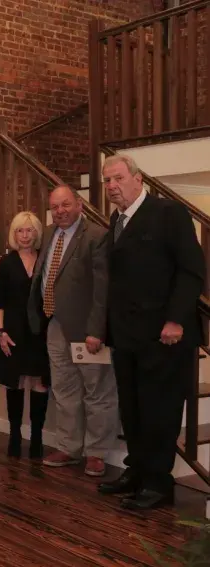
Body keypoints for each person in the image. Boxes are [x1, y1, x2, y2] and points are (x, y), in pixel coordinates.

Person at [98, 154, 205, 510]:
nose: (112, 186)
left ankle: (159, 483)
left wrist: (176, 320)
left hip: (163, 336)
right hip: (126, 336)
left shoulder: (169, 213)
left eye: (118, 178)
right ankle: (138, 471)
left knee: (160, 411)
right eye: (107, 180)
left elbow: (192, 271)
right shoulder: (116, 220)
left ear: (138, 179)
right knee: (132, 410)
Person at [28, 185, 116, 477]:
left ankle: (96, 453)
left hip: (86, 330)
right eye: (55, 207)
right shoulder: (49, 234)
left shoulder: (96, 236)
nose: (60, 211)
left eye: (65, 204)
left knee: (97, 391)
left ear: (79, 204)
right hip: (54, 324)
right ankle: (68, 446)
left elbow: (102, 288)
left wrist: (96, 330)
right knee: (64, 390)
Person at [0, 211, 50, 459]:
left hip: (41, 331)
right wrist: (1, 332)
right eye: (20, 231)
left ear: (37, 233)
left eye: (30, 230)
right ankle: (14, 435)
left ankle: (37, 438)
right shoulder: (6, 263)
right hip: (12, 330)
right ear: (13, 234)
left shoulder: (46, 259)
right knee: (14, 382)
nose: (25, 235)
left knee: (40, 383)